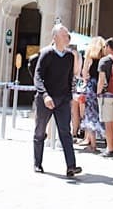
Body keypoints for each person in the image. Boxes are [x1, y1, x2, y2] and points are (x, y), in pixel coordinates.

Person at [33, 23, 82, 177]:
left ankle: (71, 166)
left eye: (67, 34)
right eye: (63, 35)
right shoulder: (46, 54)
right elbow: (38, 77)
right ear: (55, 38)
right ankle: (37, 163)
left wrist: (69, 97)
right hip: (45, 99)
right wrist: (45, 95)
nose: (67, 37)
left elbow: (70, 78)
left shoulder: (69, 56)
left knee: (65, 132)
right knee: (40, 131)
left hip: (62, 100)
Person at [80, 37, 105, 153]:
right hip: (102, 87)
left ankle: (93, 143)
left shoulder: (89, 54)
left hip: (91, 86)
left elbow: (84, 72)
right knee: (102, 115)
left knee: (90, 114)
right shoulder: (104, 56)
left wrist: (86, 79)